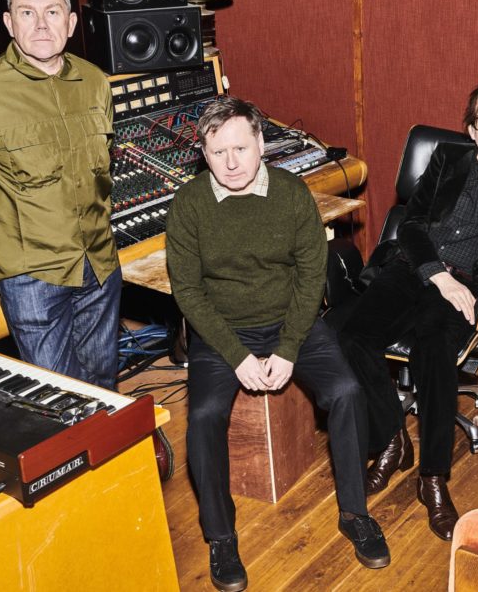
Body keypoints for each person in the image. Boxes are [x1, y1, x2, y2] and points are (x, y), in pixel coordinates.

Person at [165, 96, 389, 591]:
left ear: (261, 144)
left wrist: (288, 348)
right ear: (203, 153)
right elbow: (189, 292)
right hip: (221, 331)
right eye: (218, 152)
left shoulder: (291, 194)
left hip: (293, 322)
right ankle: (221, 536)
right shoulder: (189, 204)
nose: (231, 162)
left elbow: (311, 278)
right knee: (203, 416)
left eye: (241, 149)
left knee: (347, 392)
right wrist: (236, 356)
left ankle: (355, 513)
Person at [337, 83, 478, 540]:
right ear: (470, 129)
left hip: (470, 283)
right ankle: (392, 438)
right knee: (353, 336)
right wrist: (437, 274)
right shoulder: (447, 158)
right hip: (417, 267)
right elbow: (412, 224)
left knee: (433, 349)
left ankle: (433, 477)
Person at [0, 0, 121, 389]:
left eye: (52, 12)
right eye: (27, 13)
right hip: (33, 275)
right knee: (57, 397)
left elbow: (103, 169)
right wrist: (4, 233)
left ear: (70, 23)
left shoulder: (95, 83)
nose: (40, 25)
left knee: (105, 389)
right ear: (9, 22)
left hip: (99, 261)